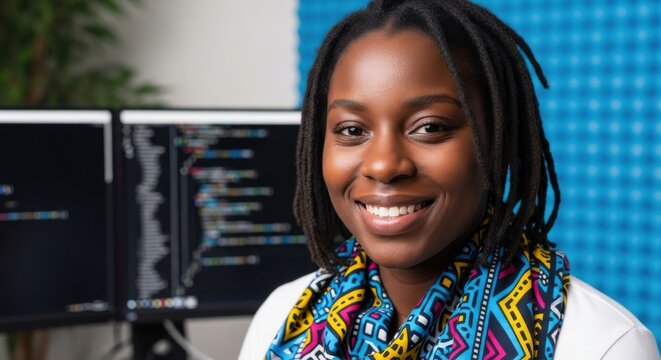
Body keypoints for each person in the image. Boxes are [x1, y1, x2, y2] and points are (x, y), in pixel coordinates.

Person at [240, 0, 659, 359]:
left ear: (498, 140)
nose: (384, 165)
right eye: (352, 130)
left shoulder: (602, 345)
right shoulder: (282, 314)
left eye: (430, 127)